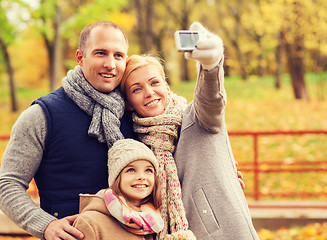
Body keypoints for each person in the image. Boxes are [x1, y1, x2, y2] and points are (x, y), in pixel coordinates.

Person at [120, 22, 259, 239]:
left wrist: (210, 65)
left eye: (154, 82)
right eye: (136, 89)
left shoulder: (197, 117)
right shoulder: (136, 148)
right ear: (129, 102)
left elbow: (211, 99)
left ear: (166, 87)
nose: (149, 92)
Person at [0, 21, 136, 239]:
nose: (111, 64)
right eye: (101, 53)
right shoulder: (43, 115)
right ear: (80, 58)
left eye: (118, 55)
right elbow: (7, 184)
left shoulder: (135, 111)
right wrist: (46, 225)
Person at [73, 138, 163, 240]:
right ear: (116, 178)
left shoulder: (156, 221)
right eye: (131, 170)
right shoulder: (90, 222)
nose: (141, 177)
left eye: (148, 170)